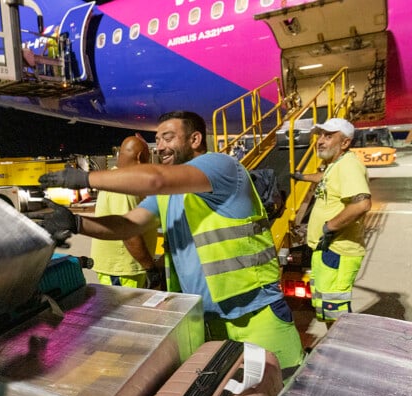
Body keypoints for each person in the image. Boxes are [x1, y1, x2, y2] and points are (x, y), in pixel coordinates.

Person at [38, 110, 304, 376]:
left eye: (168, 137)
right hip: (206, 319)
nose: (161, 146)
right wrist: (76, 224)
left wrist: (85, 179)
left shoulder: (220, 166)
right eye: (158, 139)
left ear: (196, 139)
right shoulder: (167, 195)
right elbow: (129, 224)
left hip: (255, 315)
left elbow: (156, 178)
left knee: (283, 392)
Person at [291, 118, 371, 324]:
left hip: (337, 251)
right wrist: (302, 177)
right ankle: (335, 347)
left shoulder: (348, 166)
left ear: (345, 143)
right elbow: (324, 177)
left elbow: (362, 204)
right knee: (328, 308)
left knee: (336, 312)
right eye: (320, 135)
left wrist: (330, 227)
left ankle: (342, 352)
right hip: (327, 250)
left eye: (328, 136)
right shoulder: (336, 165)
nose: (320, 141)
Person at [91, 135, 161, 288]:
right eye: (148, 158)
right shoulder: (123, 186)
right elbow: (128, 231)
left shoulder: (120, 178)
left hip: (128, 267)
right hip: (122, 270)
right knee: (126, 311)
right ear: (140, 157)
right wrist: (151, 267)